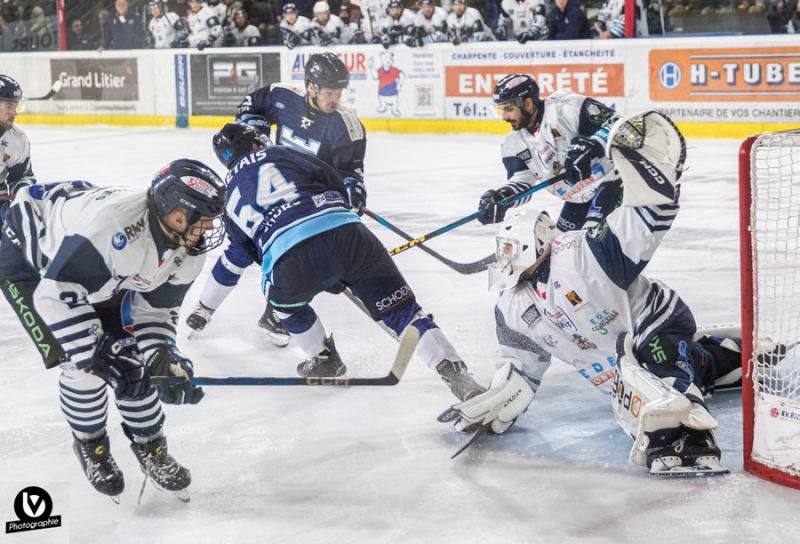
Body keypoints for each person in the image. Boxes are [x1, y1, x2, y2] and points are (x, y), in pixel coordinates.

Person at [449, 111, 744, 474]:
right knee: (669, 370)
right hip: (618, 350)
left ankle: (687, 438)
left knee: (660, 372)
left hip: (650, 322)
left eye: (509, 249)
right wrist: (498, 396)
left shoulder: (582, 253)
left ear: (532, 243)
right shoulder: (511, 304)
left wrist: (652, 177)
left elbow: (646, 218)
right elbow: (521, 367)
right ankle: (731, 355)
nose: (503, 259)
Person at [210, 122, 487, 404]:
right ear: (256, 144)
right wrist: (337, 235)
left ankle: (322, 358)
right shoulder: (282, 152)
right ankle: (460, 379)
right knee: (404, 312)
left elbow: (247, 250)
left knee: (281, 303)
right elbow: (331, 179)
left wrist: (308, 267)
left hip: (287, 259)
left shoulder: (226, 195)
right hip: (349, 235)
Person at [0, 159, 226, 501]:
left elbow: (156, 309)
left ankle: (152, 447)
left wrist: (162, 354)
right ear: (178, 215)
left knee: (135, 362)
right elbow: (54, 295)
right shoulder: (116, 229)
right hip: (30, 259)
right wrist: (99, 353)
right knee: (84, 366)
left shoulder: (186, 249)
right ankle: (91, 445)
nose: (208, 229)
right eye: (204, 220)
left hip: (97, 268)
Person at [186, 53, 365, 348]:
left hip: (309, 198)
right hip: (272, 187)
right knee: (241, 249)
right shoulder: (281, 96)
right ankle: (204, 308)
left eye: (339, 93)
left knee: (296, 255)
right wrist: (253, 133)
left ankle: (276, 314)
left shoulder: (347, 127)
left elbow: (351, 173)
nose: (336, 99)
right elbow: (251, 106)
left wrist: (353, 196)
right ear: (311, 87)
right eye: (330, 93)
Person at [476, 73, 623, 234]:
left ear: (528, 103)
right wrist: (503, 197)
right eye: (501, 110)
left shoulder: (566, 107)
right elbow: (523, 180)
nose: (504, 117)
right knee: (561, 251)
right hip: (576, 199)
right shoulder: (513, 144)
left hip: (612, 181)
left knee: (593, 242)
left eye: (509, 109)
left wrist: (592, 146)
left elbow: (618, 124)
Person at [0, 75, 35, 227]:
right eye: (8, 106)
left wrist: (23, 192)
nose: (14, 113)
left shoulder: (17, 140)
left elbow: (21, 177)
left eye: (16, 106)